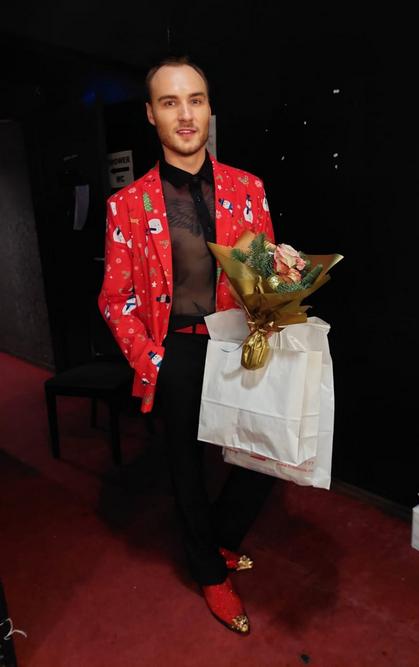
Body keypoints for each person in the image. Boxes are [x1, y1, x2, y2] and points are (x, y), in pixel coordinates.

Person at [98, 56, 276, 635]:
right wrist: (153, 361)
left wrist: (282, 276)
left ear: (209, 108)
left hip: (238, 344)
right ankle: (207, 570)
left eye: (195, 99)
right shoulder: (128, 205)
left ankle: (221, 537)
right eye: (170, 102)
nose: (185, 114)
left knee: (265, 454)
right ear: (151, 114)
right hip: (175, 351)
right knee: (185, 468)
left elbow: (262, 275)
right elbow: (115, 298)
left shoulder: (248, 188)